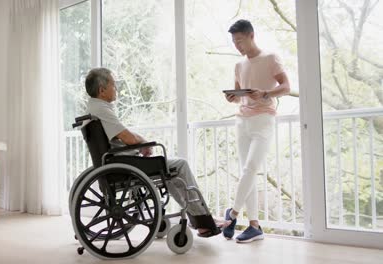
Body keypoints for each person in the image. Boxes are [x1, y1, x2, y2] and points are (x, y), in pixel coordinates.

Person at [84, 67, 222, 237]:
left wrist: (140, 142)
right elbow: (127, 138)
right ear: (102, 90)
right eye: (114, 85)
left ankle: (200, 219)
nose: (116, 89)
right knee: (180, 165)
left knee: (168, 170)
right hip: (124, 166)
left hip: (117, 162)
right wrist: (144, 142)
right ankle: (204, 222)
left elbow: (121, 136)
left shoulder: (94, 108)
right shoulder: (102, 109)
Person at [222, 19, 290, 243]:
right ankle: (254, 225)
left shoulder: (270, 58)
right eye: (234, 42)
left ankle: (231, 215)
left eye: (240, 40)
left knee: (251, 168)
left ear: (252, 35)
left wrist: (266, 94)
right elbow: (239, 94)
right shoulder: (239, 65)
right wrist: (233, 97)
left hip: (263, 120)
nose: (237, 46)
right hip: (242, 121)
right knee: (246, 172)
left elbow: (286, 87)